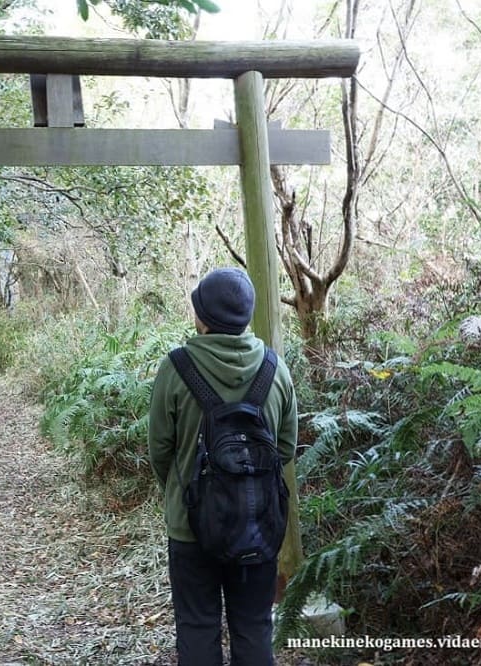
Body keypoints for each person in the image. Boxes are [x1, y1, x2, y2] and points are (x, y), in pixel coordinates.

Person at [148, 267, 298, 666]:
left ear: (204, 317)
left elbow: (160, 450)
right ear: (245, 316)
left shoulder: (176, 368)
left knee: (197, 627)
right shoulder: (274, 368)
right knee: (253, 627)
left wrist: (186, 492)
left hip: (190, 527)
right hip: (257, 525)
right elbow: (285, 447)